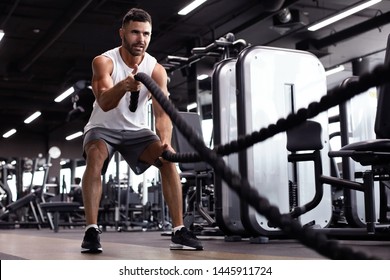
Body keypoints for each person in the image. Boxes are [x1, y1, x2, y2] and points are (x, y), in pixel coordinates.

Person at [80, 8, 203, 253]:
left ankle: (178, 230)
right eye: (135, 32)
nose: (141, 39)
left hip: (137, 130)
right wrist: (124, 85)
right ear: (122, 34)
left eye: (146, 33)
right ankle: (91, 230)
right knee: (95, 157)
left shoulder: (155, 69)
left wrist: (165, 141)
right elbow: (104, 103)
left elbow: (162, 113)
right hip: (103, 127)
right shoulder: (104, 62)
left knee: (168, 160)